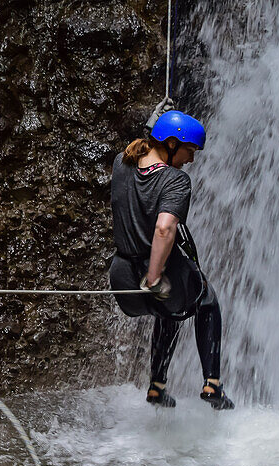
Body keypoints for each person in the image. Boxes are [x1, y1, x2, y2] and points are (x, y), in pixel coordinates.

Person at [109, 109, 234, 410]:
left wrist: (155, 120)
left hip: (122, 279)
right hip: (154, 277)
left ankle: (157, 386)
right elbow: (165, 228)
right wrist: (153, 277)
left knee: (172, 311)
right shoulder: (176, 181)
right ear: (173, 144)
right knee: (206, 299)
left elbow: (147, 144)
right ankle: (213, 384)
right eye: (190, 151)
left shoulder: (120, 163)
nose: (191, 159)